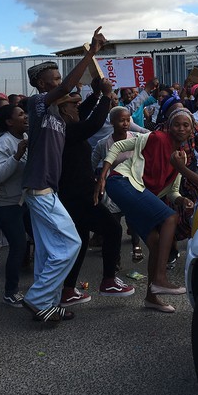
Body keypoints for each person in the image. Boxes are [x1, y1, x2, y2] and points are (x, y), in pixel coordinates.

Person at [20, 27, 106, 323]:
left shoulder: (58, 113)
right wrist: (90, 53)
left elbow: (78, 106)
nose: (62, 85)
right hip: (39, 188)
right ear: (41, 84)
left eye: (59, 79)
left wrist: (98, 93)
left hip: (46, 189)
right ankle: (37, 298)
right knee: (71, 243)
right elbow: (68, 87)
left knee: (48, 251)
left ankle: (49, 302)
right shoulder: (37, 105)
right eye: (54, 81)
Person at [94, 108, 195, 313]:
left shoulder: (180, 158)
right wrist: (103, 174)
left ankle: (151, 297)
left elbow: (173, 191)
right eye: (177, 124)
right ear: (169, 126)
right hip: (121, 181)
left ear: (192, 130)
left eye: (186, 125)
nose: (181, 128)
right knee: (170, 217)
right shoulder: (156, 137)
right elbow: (119, 145)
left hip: (137, 193)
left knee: (156, 243)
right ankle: (160, 279)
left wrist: (182, 199)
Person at [58, 82, 134, 306]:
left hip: (78, 191)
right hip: (76, 194)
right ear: (64, 111)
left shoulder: (68, 124)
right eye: (73, 106)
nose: (77, 108)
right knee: (112, 228)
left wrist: (97, 93)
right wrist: (107, 96)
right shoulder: (65, 129)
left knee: (80, 242)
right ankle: (108, 280)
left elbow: (83, 113)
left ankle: (68, 290)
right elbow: (94, 122)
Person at [91, 105, 146, 262]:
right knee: (114, 224)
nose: (126, 123)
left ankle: (137, 246)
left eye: (128, 120)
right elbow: (92, 163)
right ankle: (115, 257)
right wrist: (95, 180)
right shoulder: (103, 144)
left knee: (133, 218)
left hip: (132, 184)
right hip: (112, 188)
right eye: (121, 120)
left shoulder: (137, 138)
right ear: (112, 122)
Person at [0, 104, 30, 307]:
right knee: (18, 245)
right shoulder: (3, 143)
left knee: (40, 238)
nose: (26, 117)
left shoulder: (24, 137)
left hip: (23, 201)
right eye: (21, 114)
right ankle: (10, 291)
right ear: (9, 121)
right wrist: (16, 156)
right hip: (6, 204)